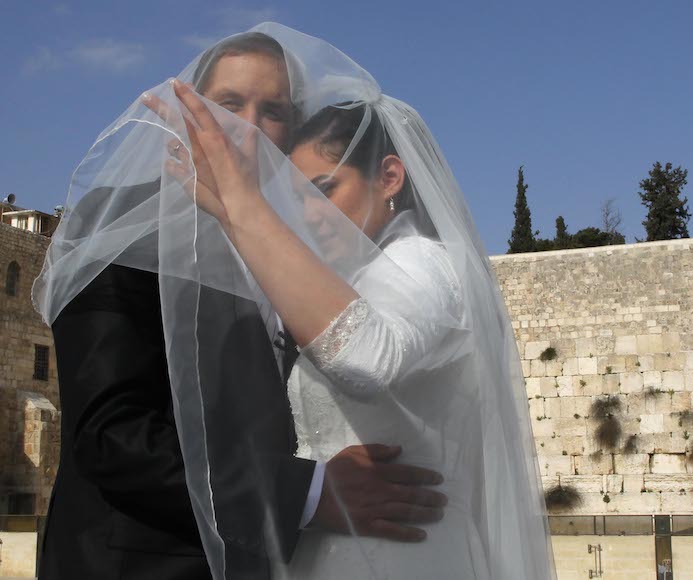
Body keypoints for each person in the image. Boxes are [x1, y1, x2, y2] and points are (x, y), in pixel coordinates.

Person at [35, 31, 446, 580]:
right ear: (187, 111)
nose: (248, 125)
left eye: (273, 110)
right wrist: (310, 492)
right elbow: (110, 433)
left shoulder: (301, 246)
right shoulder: (122, 226)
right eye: (229, 103)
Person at [154, 23, 555, 579]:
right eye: (295, 196)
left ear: (389, 176)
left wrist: (240, 208)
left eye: (324, 190)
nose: (307, 215)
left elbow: (369, 355)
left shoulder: (426, 262)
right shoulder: (352, 281)